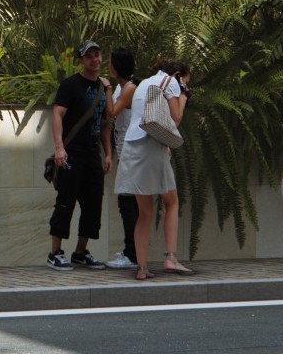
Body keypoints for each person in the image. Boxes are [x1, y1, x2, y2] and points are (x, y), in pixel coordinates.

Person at [121, 59, 193, 279]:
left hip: (132, 147)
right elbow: (175, 117)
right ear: (179, 75)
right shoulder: (171, 82)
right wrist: (183, 95)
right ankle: (170, 258)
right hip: (152, 148)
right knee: (171, 202)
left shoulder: (143, 84)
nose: (183, 87)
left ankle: (142, 268)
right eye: (185, 82)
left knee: (145, 212)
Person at [47, 41, 111, 269]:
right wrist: (58, 148)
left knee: (93, 204)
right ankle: (55, 252)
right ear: (81, 60)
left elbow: (105, 123)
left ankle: (80, 252)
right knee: (65, 202)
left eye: (97, 54)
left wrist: (108, 153)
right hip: (71, 152)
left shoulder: (104, 88)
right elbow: (57, 115)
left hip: (92, 152)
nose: (95, 59)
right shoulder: (71, 85)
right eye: (89, 56)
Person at [104, 47, 142, 272]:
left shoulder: (128, 88)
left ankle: (132, 253)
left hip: (132, 152)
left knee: (127, 202)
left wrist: (107, 88)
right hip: (126, 150)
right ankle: (133, 251)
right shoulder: (123, 87)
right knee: (128, 202)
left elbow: (112, 112)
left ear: (115, 66)